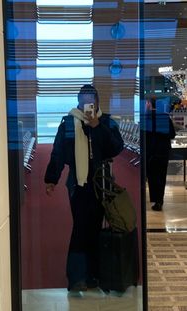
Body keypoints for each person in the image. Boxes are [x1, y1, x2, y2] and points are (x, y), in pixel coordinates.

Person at [44, 84, 124, 291]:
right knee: (81, 227)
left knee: (96, 227)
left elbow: (116, 148)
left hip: (101, 183)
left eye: (91, 99)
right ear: (78, 101)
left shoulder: (106, 121)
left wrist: (98, 126)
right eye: (84, 99)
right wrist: (51, 178)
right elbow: (58, 152)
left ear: (97, 101)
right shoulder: (69, 122)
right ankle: (77, 277)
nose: (88, 103)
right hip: (78, 184)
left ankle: (94, 275)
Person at [144, 96, 176, 211]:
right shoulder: (164, 117)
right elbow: (172, 134)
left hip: (150, 152)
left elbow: (144, 135)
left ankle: (155, 200)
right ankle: (159, 201)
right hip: (163, 152)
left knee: (152, 177)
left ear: (149, 104)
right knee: (161, 177)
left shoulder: (146, 117)